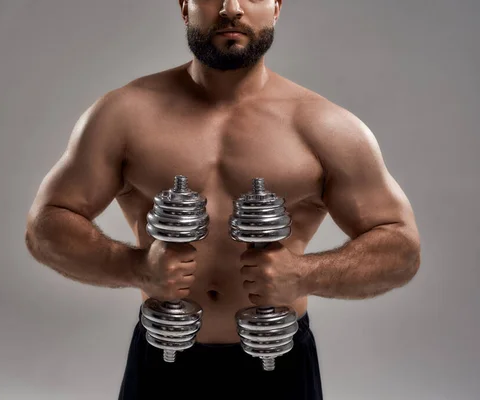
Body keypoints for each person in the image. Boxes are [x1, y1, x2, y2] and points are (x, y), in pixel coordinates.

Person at [24, 1, 421, 399]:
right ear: (184, 8)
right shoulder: (123, 114)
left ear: (277, 7)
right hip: (164, 355)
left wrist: (304, 274)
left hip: (277, 360)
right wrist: (137, 268)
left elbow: (401, 248)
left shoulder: (324, 126)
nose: (230, 8)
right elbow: (46, 226)